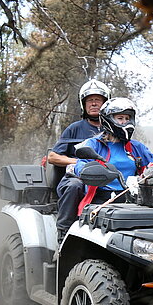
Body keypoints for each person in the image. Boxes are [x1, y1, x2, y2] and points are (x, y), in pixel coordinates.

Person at [57, 97, 153, 237]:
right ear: (107, 119)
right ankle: (63, 234)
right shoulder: (94, 144)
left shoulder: (135, 147)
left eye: (127, 118)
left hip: (132, 201)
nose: (125, 122)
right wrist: (85, 170)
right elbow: (81, 163)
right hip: (100, 200)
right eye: (120, 118)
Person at [49, 79, 111, 238]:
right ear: (83, 105)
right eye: (90, 100)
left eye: (98, 99)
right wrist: (79, 162)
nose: (94, 103)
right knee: (74, 186)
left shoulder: (114, 129)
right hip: (76, 176)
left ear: (106, 103)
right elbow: (52, 157)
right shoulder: (75, 128)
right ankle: (63, 234)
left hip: (106, 177)